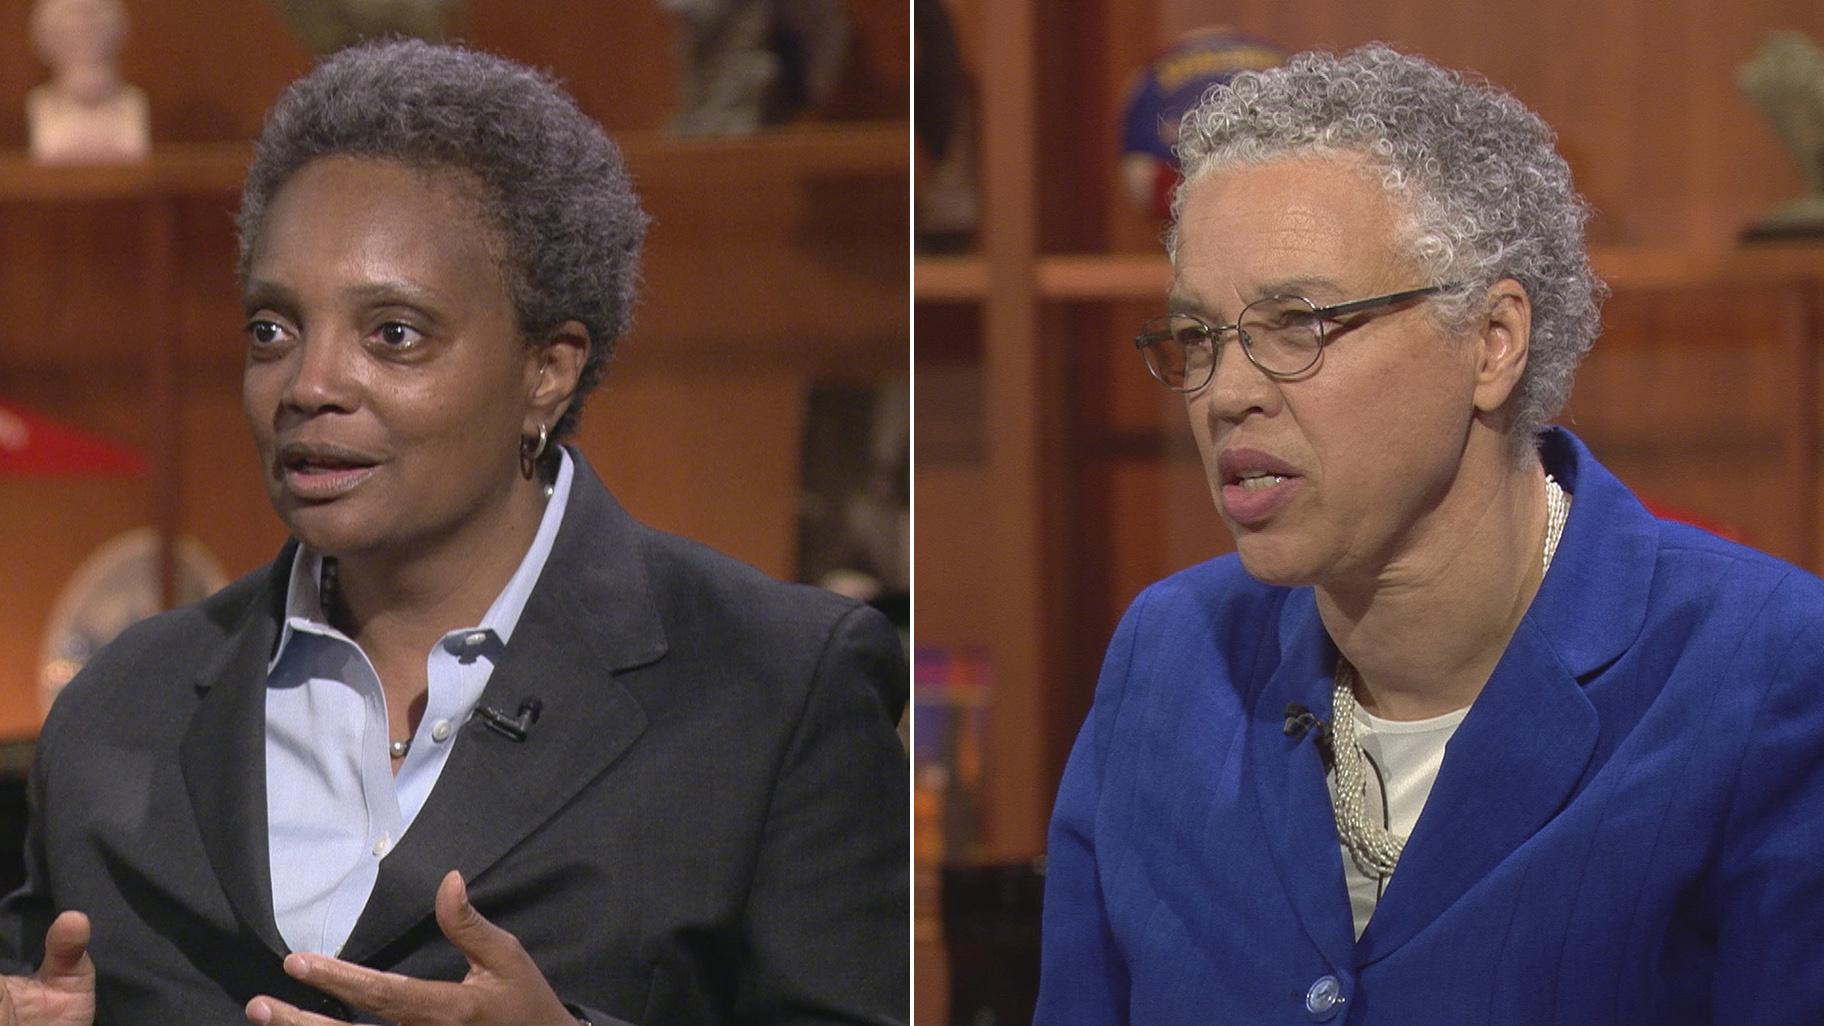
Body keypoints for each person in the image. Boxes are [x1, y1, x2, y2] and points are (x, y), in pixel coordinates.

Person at [0, 39, 907, 1026]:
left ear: (548, 371)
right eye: (273, 328)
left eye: (394, 333)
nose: (309, 385)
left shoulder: (775, 690)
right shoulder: (119, 709)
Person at [1035, 44, 1824, 1025]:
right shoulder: (1169, 660)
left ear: (1492, 342)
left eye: (1299, 325)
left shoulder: (1768, 672)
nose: (1227, 393)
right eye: (1199, 337)